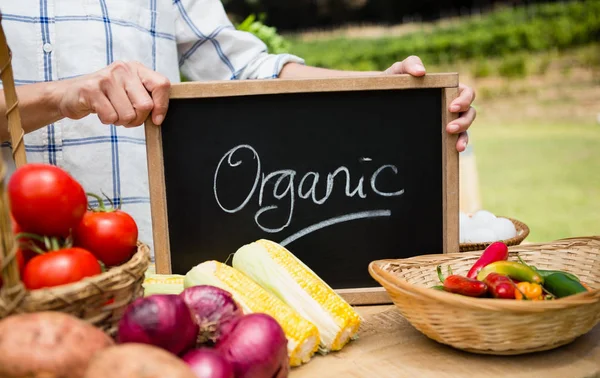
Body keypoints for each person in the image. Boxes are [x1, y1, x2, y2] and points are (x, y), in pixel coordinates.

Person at [0, 1, 476, 259]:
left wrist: (384, 92)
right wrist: (61, 96)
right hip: (13, 268)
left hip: (145, 255)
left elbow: (242, 66)